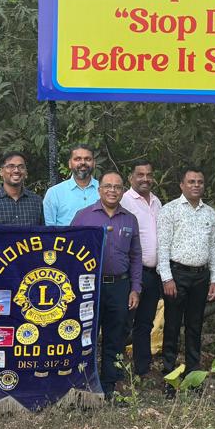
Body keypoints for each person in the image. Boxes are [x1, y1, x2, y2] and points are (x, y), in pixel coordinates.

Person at [72, 171, 143, 399]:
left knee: (116, 336)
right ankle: (84, 383)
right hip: (89, 287)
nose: (112, 190)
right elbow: (69, 251)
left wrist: (135, 288)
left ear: (123, 191)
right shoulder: (83, 217)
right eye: (108, 186)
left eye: (117, 187)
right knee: (86, 334)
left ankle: (110, 385)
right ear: (99, 189)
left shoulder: (129, 219)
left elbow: (136, 255)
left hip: (119, 287)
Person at [157, 167, 215, 399]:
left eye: (200, 182)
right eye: (191, 181)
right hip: (177, 274)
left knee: (195, 327)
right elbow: (162, 247)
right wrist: (167, 277)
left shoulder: (210, 213)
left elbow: (213, 247)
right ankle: (170, 377)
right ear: (182, 185)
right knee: (172, 327)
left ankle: (194, 377)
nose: (196, 185)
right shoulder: (170, 210)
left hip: (201, 276)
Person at [121, 160, 162, 379]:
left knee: (145, 323)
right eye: (140, 174)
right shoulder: (124, 201)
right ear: (131, 178)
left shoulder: (156, 202)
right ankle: (116, 369)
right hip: (130, 274)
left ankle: (142, 368)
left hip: (153, 274)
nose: (145, 178)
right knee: (124, 321)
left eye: (149, 174)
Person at [0, 151, 44, 226]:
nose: (16, 170)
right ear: (1, 172)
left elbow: (44, 235)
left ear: (26, 172)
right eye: (11, 166)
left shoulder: (37, 202)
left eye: (21, 167)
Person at [43, 144, 100, 225]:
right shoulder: (54, 193)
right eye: (77, 159)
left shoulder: (105, 191)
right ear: (70, 163)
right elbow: (49, 230)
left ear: (94, 163)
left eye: (87, 159)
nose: (83, 162)